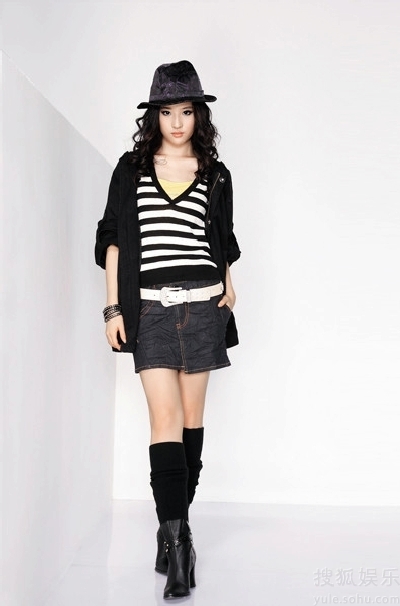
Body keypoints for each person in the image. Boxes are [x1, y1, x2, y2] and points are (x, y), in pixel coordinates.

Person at [95, 60, 240, 600]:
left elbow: (222, 239)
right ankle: (179, 548)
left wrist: (230, 286)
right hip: (150, 310)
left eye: (186, 111)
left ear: (198, 115)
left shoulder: (216, 172)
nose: (176, 122)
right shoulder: (130, 169)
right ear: (153, 116)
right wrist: (113, 309)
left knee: (192, 422)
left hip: (204, 306)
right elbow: (112, 239)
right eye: (166, 112)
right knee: (165, 418)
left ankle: (173, 530)